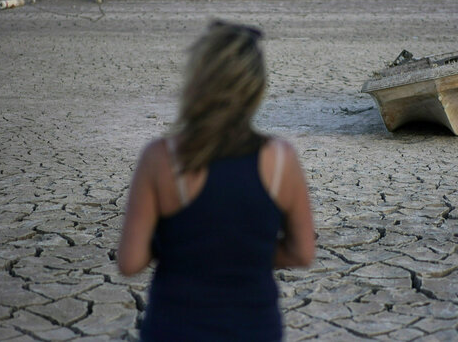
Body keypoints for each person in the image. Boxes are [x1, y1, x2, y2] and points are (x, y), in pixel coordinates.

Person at [117, 20, 315, 341]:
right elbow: (303, 253)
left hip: (174, 328)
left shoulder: (160, 158)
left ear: (198, 80)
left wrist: (181, 247)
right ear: (255, 87)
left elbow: (129, 261)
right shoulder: (282, 160)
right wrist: (248, 251)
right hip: (255, 329)